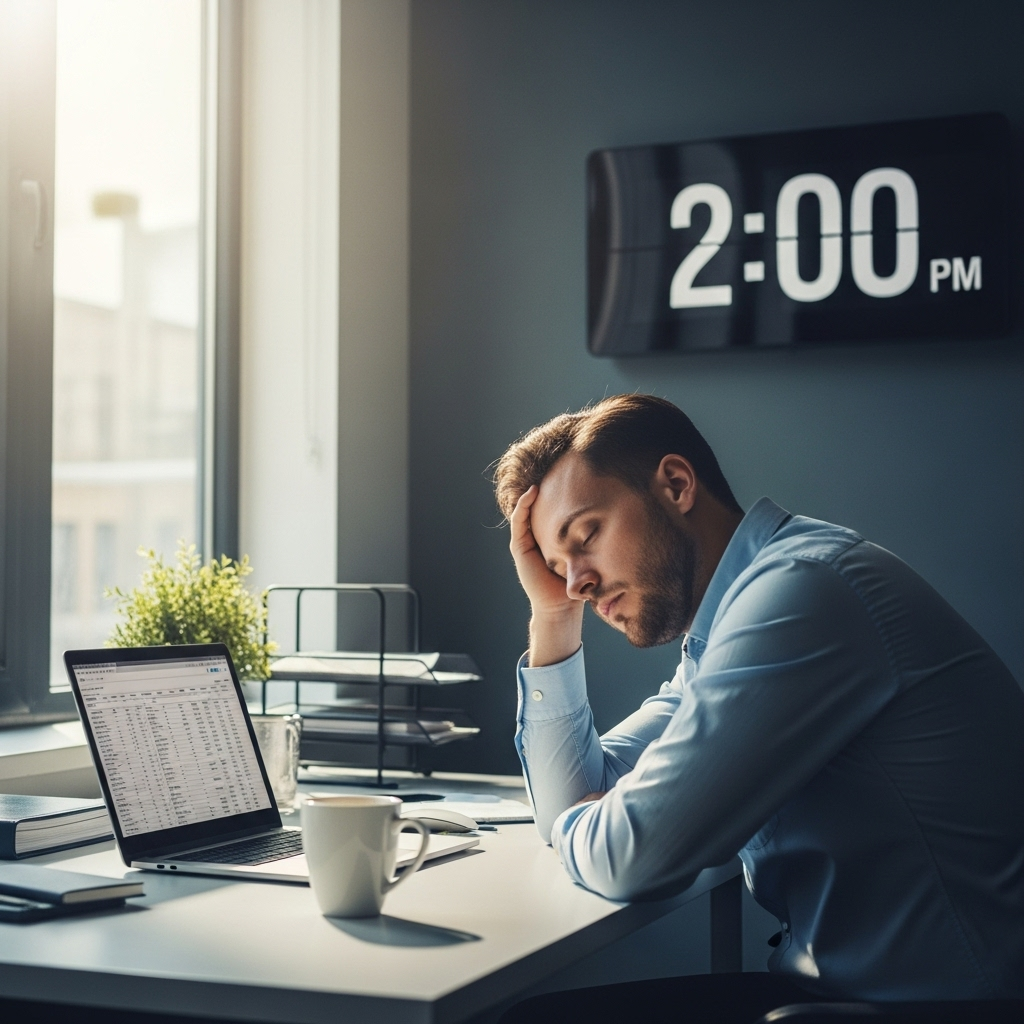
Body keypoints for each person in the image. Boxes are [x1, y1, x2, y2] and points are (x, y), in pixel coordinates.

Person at [493, 394, 1024, 1014]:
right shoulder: (726, 630)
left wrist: (581, 823)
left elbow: (633, 857)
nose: (576, 582)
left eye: (586, 536)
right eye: (556, 569)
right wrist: (551, 618)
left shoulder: (802, 594)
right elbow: (577, 800)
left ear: (676, 484)